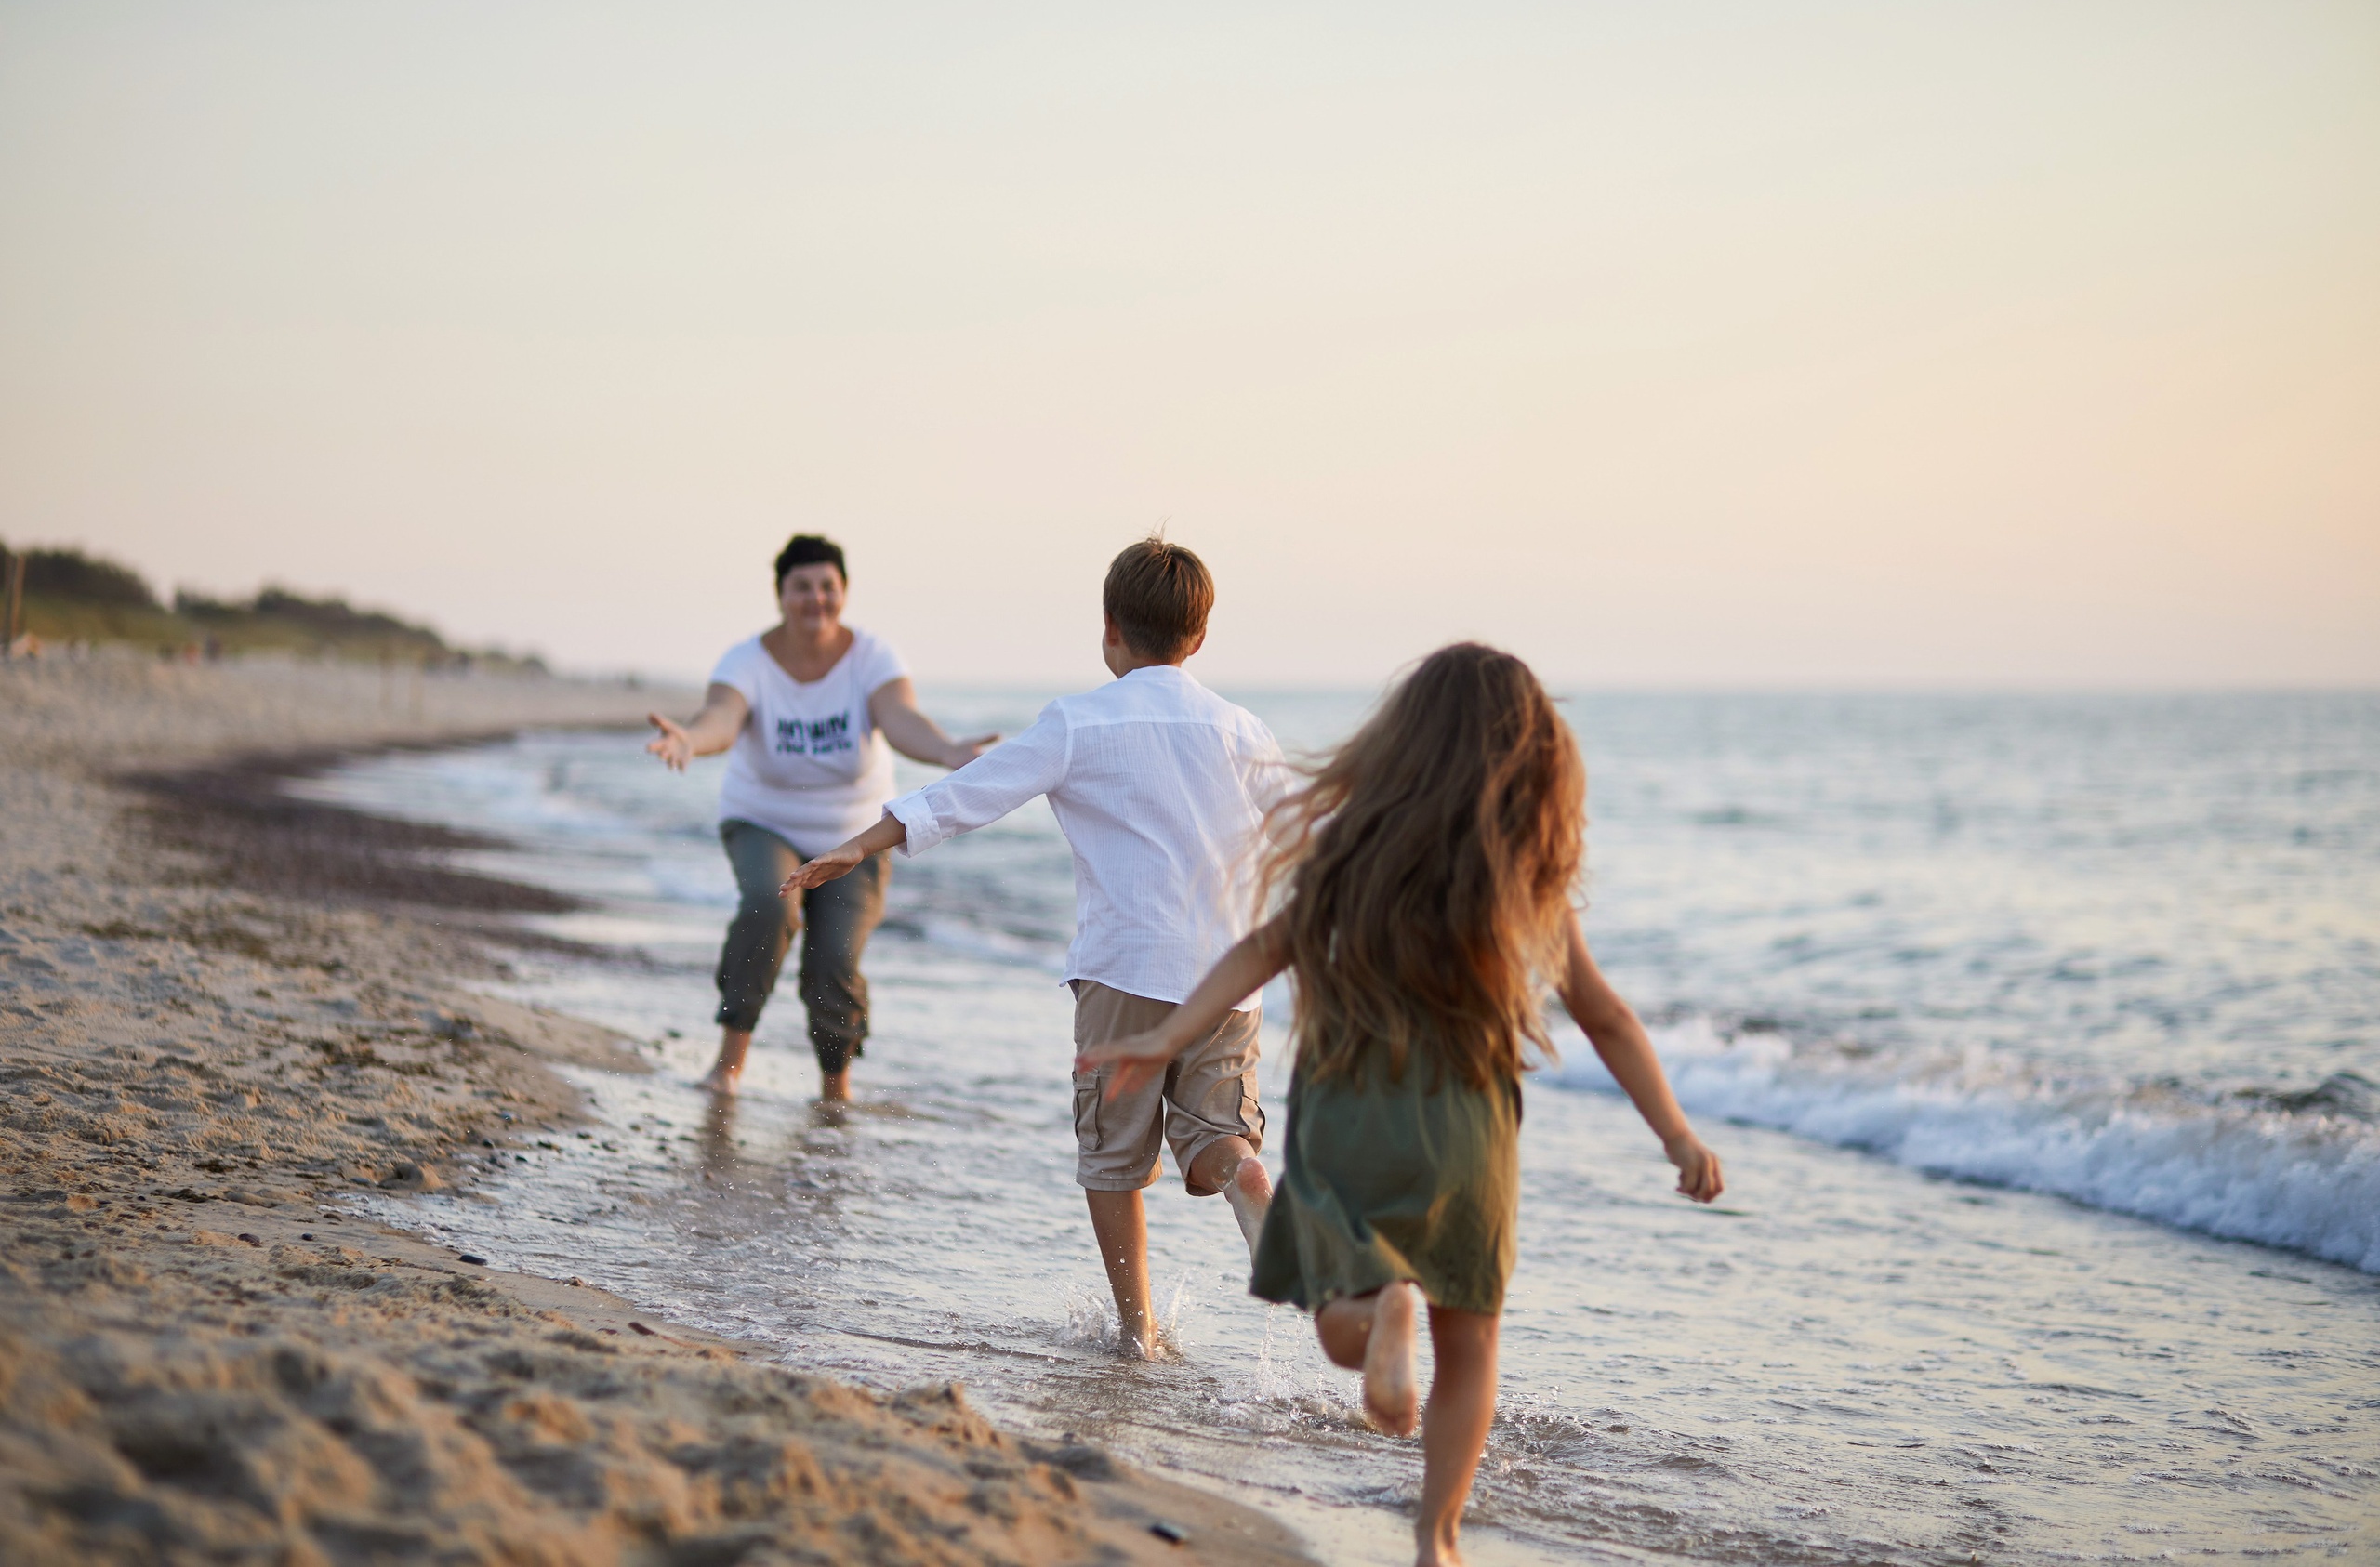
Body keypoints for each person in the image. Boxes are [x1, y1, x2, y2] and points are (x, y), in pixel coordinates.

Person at [1079, 643, 1725, 1567]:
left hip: (1349, 1109)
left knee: (1339, 1304)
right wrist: (1676, 1133)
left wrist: (1166, 1036)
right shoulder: (1527, 869)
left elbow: (1262, 949)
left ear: (1401, 740)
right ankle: (1437, 1539)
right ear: (1533, 753)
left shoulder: (1353, 847)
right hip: (1468, 1123)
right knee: (1470, 1338)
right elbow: (1605, 1014)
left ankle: (1382, 1309)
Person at [780, 537, 1290, 1357]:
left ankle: (1139, 1330)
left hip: (1124, 968)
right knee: (1216, 1139)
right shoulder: (1243, 728)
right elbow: (1316, 828)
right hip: (1230, 976)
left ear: (1109, 629)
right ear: (1199, 637)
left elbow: (968, 795)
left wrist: (863, 843)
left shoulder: (1079, 721)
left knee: (1113, 1160)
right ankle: (1249, 1178)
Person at [645, 533, 996, 1101]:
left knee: (835, 955)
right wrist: (691, 738)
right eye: (801, 587)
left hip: (855, 834)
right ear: (781, 593)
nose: (816, 599)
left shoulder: (872, 657)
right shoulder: (747, 660)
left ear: (845, 591)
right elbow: (722, 718)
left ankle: (836, 1089)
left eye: (827, 587)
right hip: (764, 821)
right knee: (769, 905)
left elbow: (900, 716)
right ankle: (728, 1067)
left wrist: (948, 751)